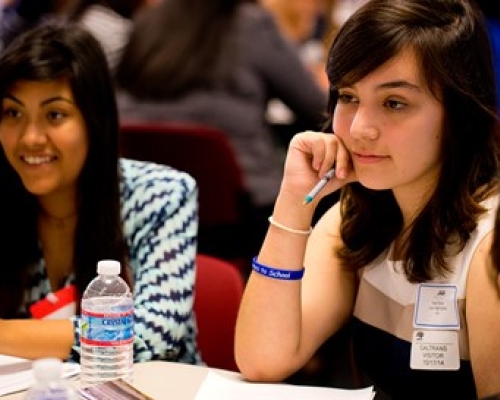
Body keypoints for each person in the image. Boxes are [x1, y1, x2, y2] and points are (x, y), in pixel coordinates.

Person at [234, 0, 500, 398]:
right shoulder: (356, 218)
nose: (360, 129)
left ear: (459, 114)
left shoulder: (488, 247)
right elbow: (263, 359)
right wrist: (294, 201)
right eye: (348, 97)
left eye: (394, 103)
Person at [0, 21, 201, 365]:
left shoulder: (160, 196)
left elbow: (153, 335)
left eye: (55, 115)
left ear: (96, 121)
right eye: (13, 113)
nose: (30, 137)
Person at [115, 0, 328, 267]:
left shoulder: (148, 22)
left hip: (146, 202)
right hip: (241, 214)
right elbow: (316, 108)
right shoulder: (252, 25)